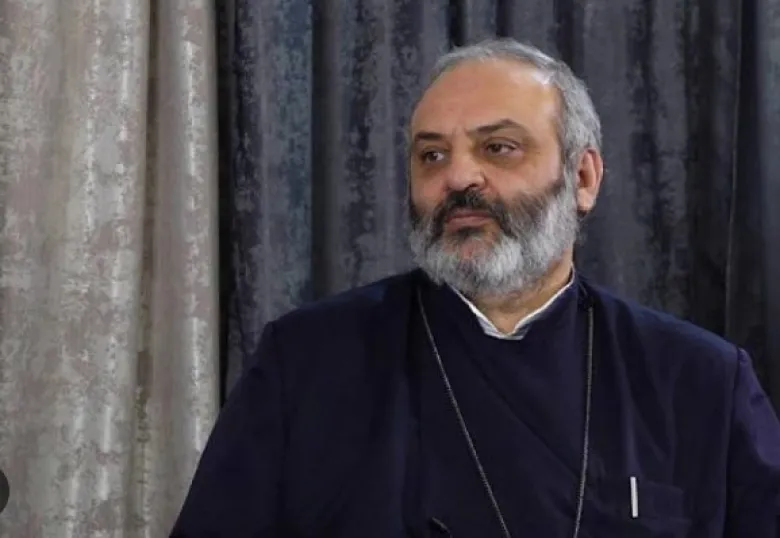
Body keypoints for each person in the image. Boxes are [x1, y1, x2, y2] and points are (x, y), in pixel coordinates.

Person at [171, 38, 780, 538]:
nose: (459, 176)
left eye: (499, 148)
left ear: (583, 177)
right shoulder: (306, 361)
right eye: (432, 156)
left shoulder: (702, 381)